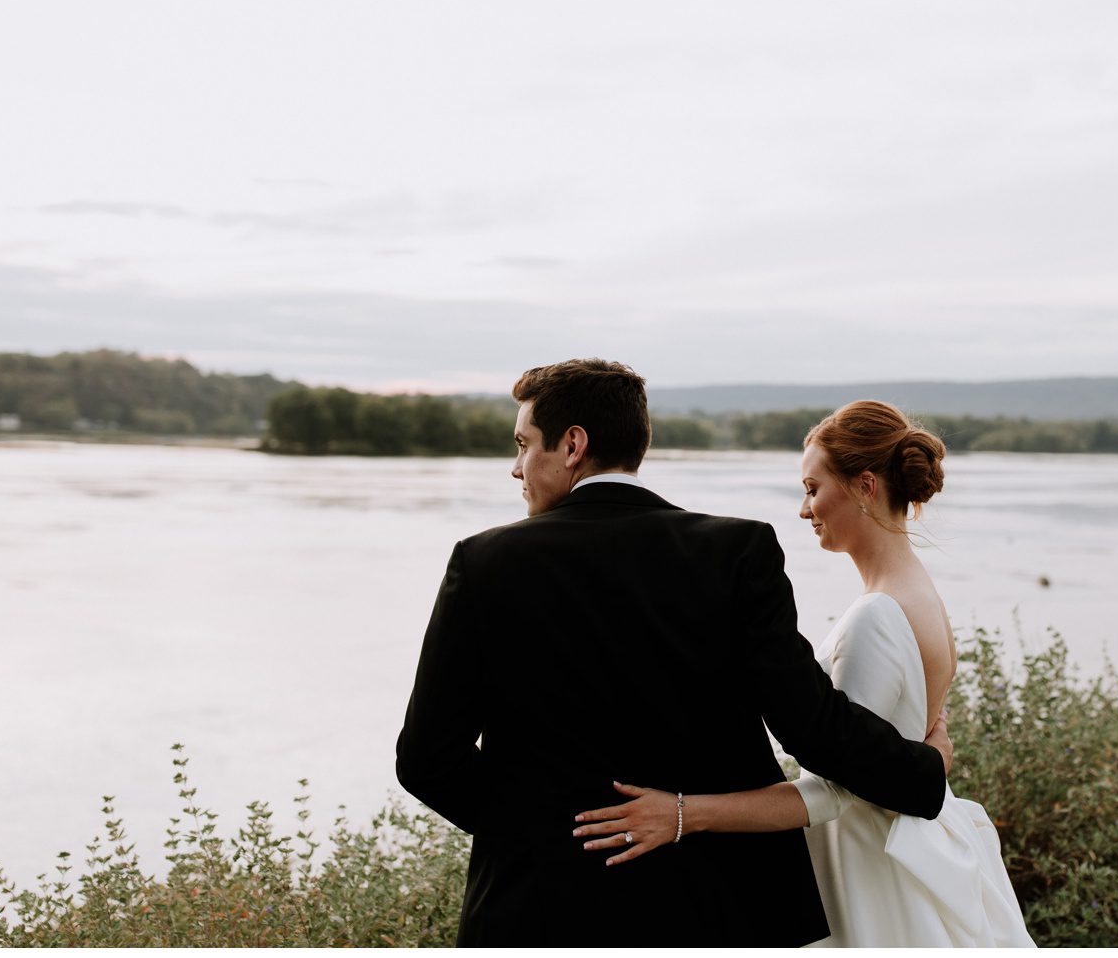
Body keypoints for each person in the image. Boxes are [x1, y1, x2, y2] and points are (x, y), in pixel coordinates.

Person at [395, 362, 953, 947]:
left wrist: (548, 834)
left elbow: (427, 760)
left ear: (573, 445)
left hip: (536, 911)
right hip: (717, 907)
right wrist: (922, 770)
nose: (517, 468)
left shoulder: (483, 563)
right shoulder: (736, 551)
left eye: (523, 445)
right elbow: (813, 727)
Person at [573, 400, 1035, 947]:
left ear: (865, 486)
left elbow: (840, 791)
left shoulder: (877, 615)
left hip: (868, 868)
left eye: (813, 489)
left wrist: (681, 814)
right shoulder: (919, 595)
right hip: (909, 838)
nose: (803, 509)